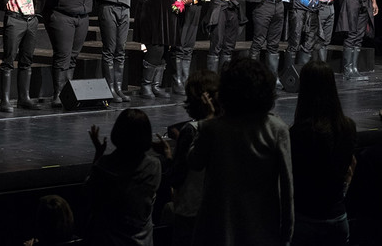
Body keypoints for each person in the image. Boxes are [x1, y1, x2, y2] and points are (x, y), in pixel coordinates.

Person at [188, 57, 293, 245]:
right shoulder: (277, 129)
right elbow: (287, 189)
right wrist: (286, 236)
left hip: (218, 230)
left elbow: (194, 161)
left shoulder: (213, 128)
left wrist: (209, 117)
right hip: (261, 231)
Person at [290, 60, 357, 245]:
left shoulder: (297, 133)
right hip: (337, 216)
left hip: (306, 217)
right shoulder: (347, 127)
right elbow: (351, 166)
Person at [154, 69, 221, 246]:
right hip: (218, 211)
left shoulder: (192, 130)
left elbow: (178, 176)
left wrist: (169, 156)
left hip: (191, 210)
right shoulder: (227, 127)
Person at [84, 108, 162, 245]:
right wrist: (167, 155)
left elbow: (88, 193)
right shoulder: (153, 166)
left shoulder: (103, 166)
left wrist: (98, 155)